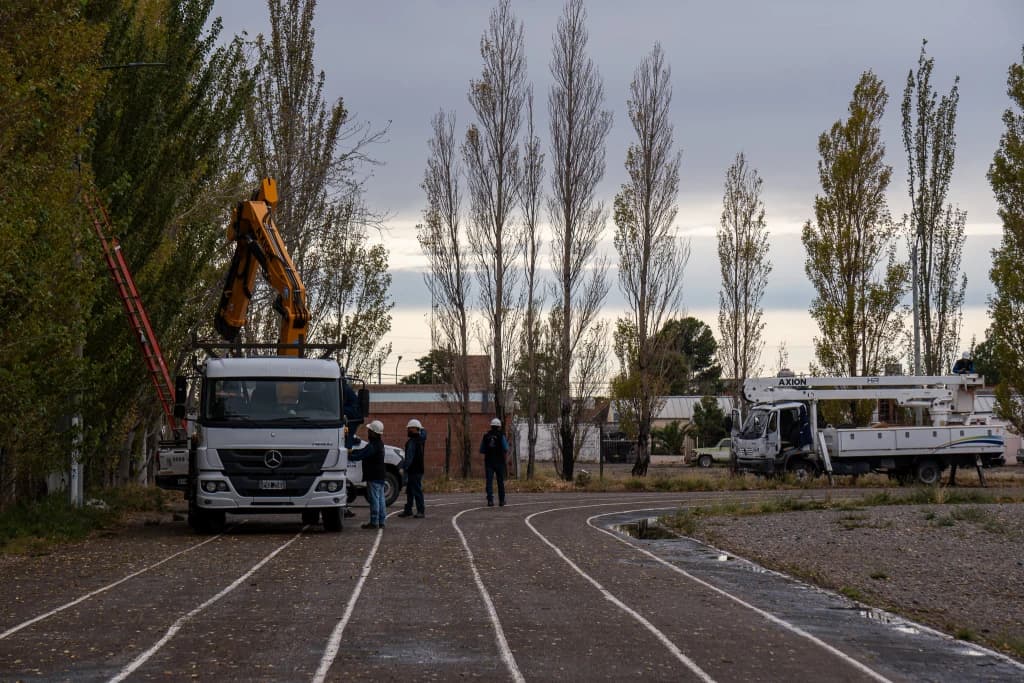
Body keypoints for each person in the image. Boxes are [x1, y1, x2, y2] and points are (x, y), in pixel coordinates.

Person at [349, 420, 387, 529]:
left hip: (373, 476)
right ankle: (381, 521)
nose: (368, 432)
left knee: (374, 499)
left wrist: (349, 455)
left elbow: (362, 455)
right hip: (380, 475)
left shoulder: (373, 445)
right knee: (381, 499)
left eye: (369, 430)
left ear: (373, 432)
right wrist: (353, 452)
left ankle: (374, 522)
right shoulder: (378, 444)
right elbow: (363, 451)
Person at [398, 419, 427, 518]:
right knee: (410, 490)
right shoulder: (421, 438)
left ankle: (420, 511)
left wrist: (404, 468)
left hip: (414, 470)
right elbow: (424, 432)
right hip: (418, 469)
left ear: (415, 429)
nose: (408, 430)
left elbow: (409, 457)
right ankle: (408, 509)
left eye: (410, 428)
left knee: (416, 490)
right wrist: (421, 428)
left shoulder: (412, 442)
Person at [479, 417, 509, 507]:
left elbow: (482, 450)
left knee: (489, 481)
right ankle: (501, 500)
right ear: (499, 426)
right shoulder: (501, 436)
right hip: (499, 462)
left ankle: (490, 501)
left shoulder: (486, 436)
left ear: (491, 426)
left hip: (489, 462)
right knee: (500, 481)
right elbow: (506, 448)